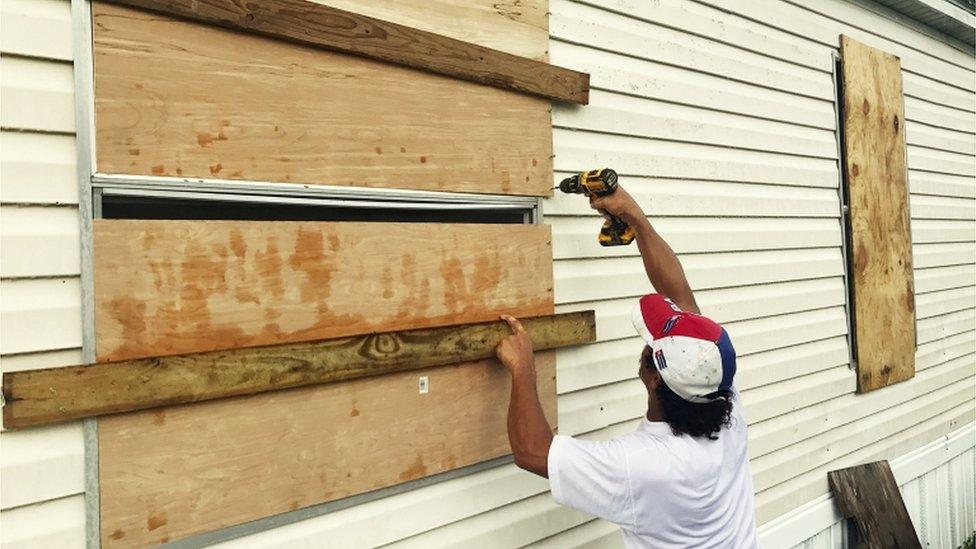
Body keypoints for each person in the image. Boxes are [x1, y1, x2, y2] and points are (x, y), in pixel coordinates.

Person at [495, 183, 759, 548]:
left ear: (652, 378)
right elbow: (679, 295)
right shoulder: (719, 394)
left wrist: (523, 367)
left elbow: (533, 451)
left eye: (650, 344)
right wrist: (635, 217)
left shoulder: (648, 467)